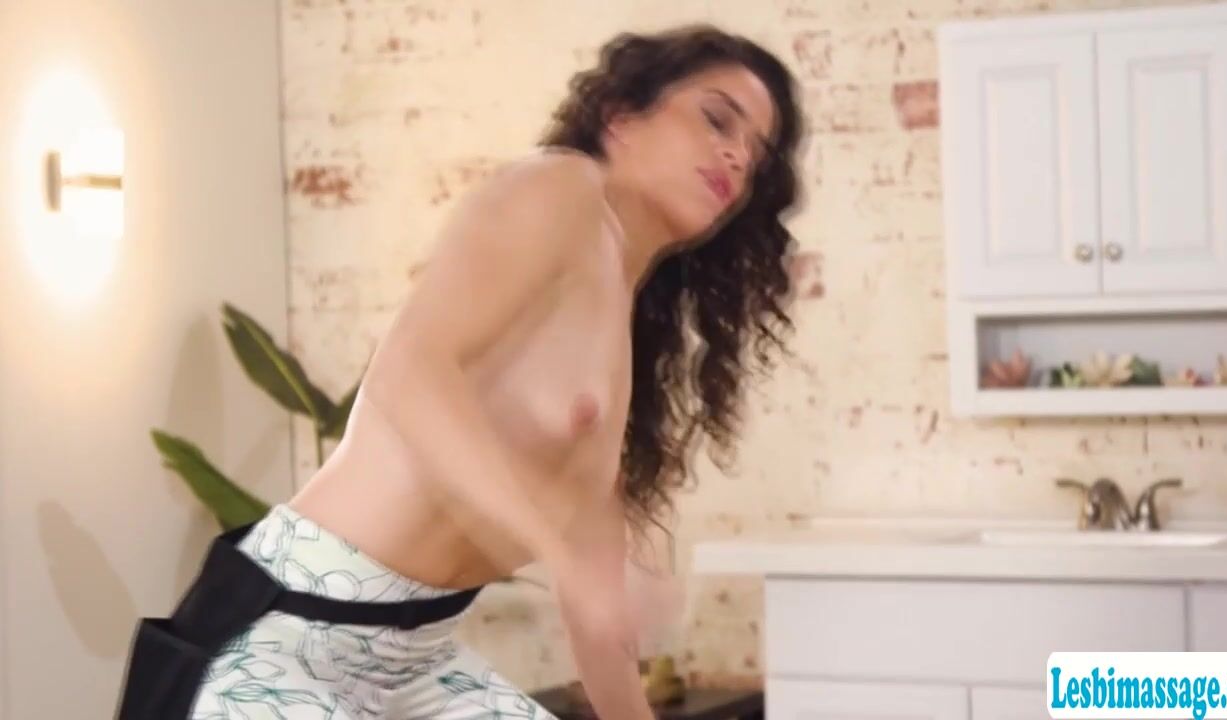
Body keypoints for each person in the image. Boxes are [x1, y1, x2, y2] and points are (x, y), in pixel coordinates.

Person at [116, 23, 804, 720]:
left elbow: (600, 628)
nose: (737, 155)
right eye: (716, 119)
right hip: (290, 631)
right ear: (621, 119)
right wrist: (557, 553)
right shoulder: (561, 188)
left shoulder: (623, 343)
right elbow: (409, 372)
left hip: (417, 658)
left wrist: (591, 589)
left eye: (756, 152)